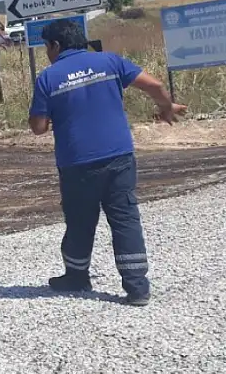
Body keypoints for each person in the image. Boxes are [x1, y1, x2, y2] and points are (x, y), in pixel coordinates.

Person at [28, 19, 186, 306]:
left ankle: (76, 277)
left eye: (46, 47)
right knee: (125, 218)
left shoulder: (48, 78)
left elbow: (38, 127)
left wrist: (49, 118)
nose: (46, 53)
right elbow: (155, 84)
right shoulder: (110, 62)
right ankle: (137, 287)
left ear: (56, 45)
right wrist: (166, 108)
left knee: (79, 220)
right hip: (119, 155)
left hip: (77, 162)